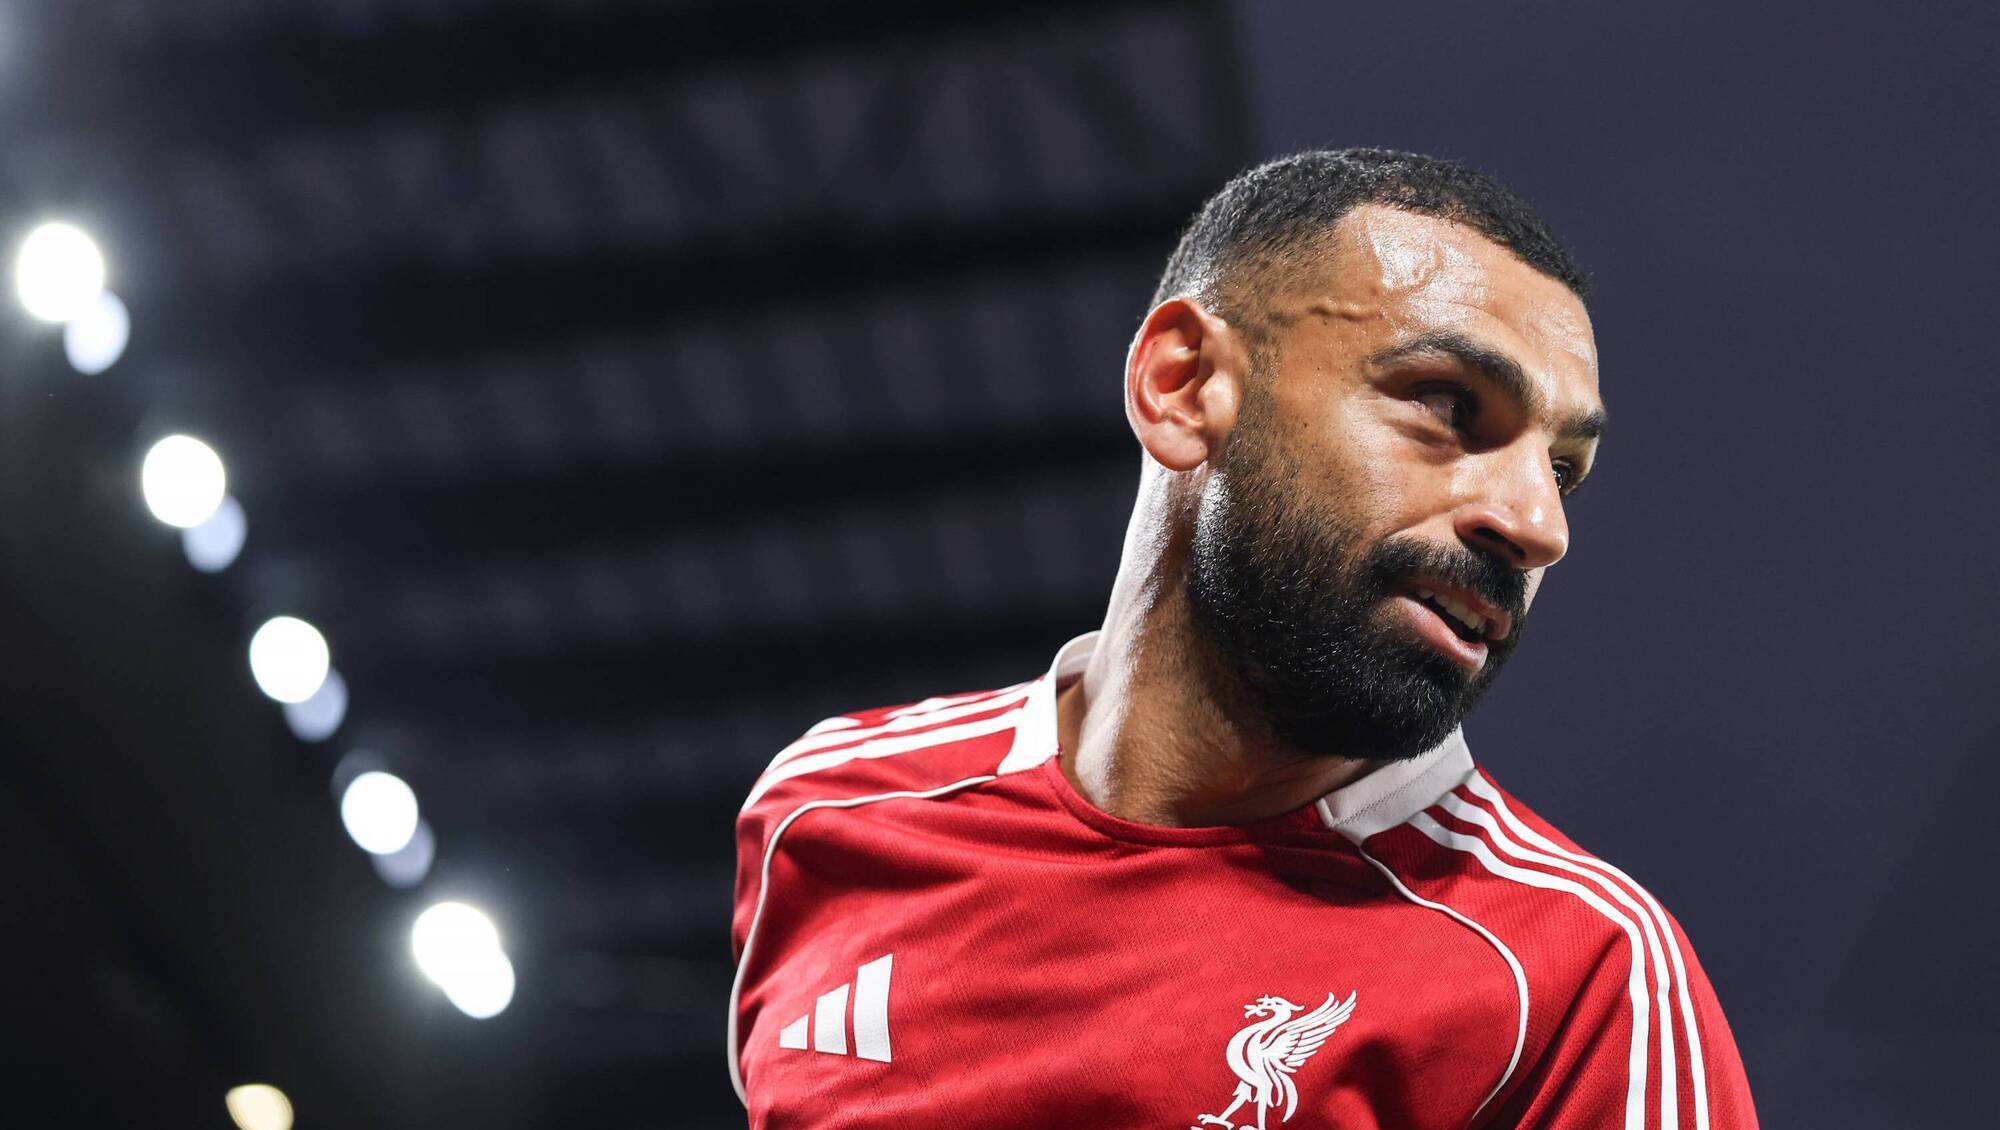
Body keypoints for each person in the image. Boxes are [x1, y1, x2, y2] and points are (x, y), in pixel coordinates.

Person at [729, 148, 1759, 1128]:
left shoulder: (1576, 980)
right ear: (1181, 386)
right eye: (1451, 405)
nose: (1540, 527)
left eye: (1564, 470)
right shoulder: (825, 810)